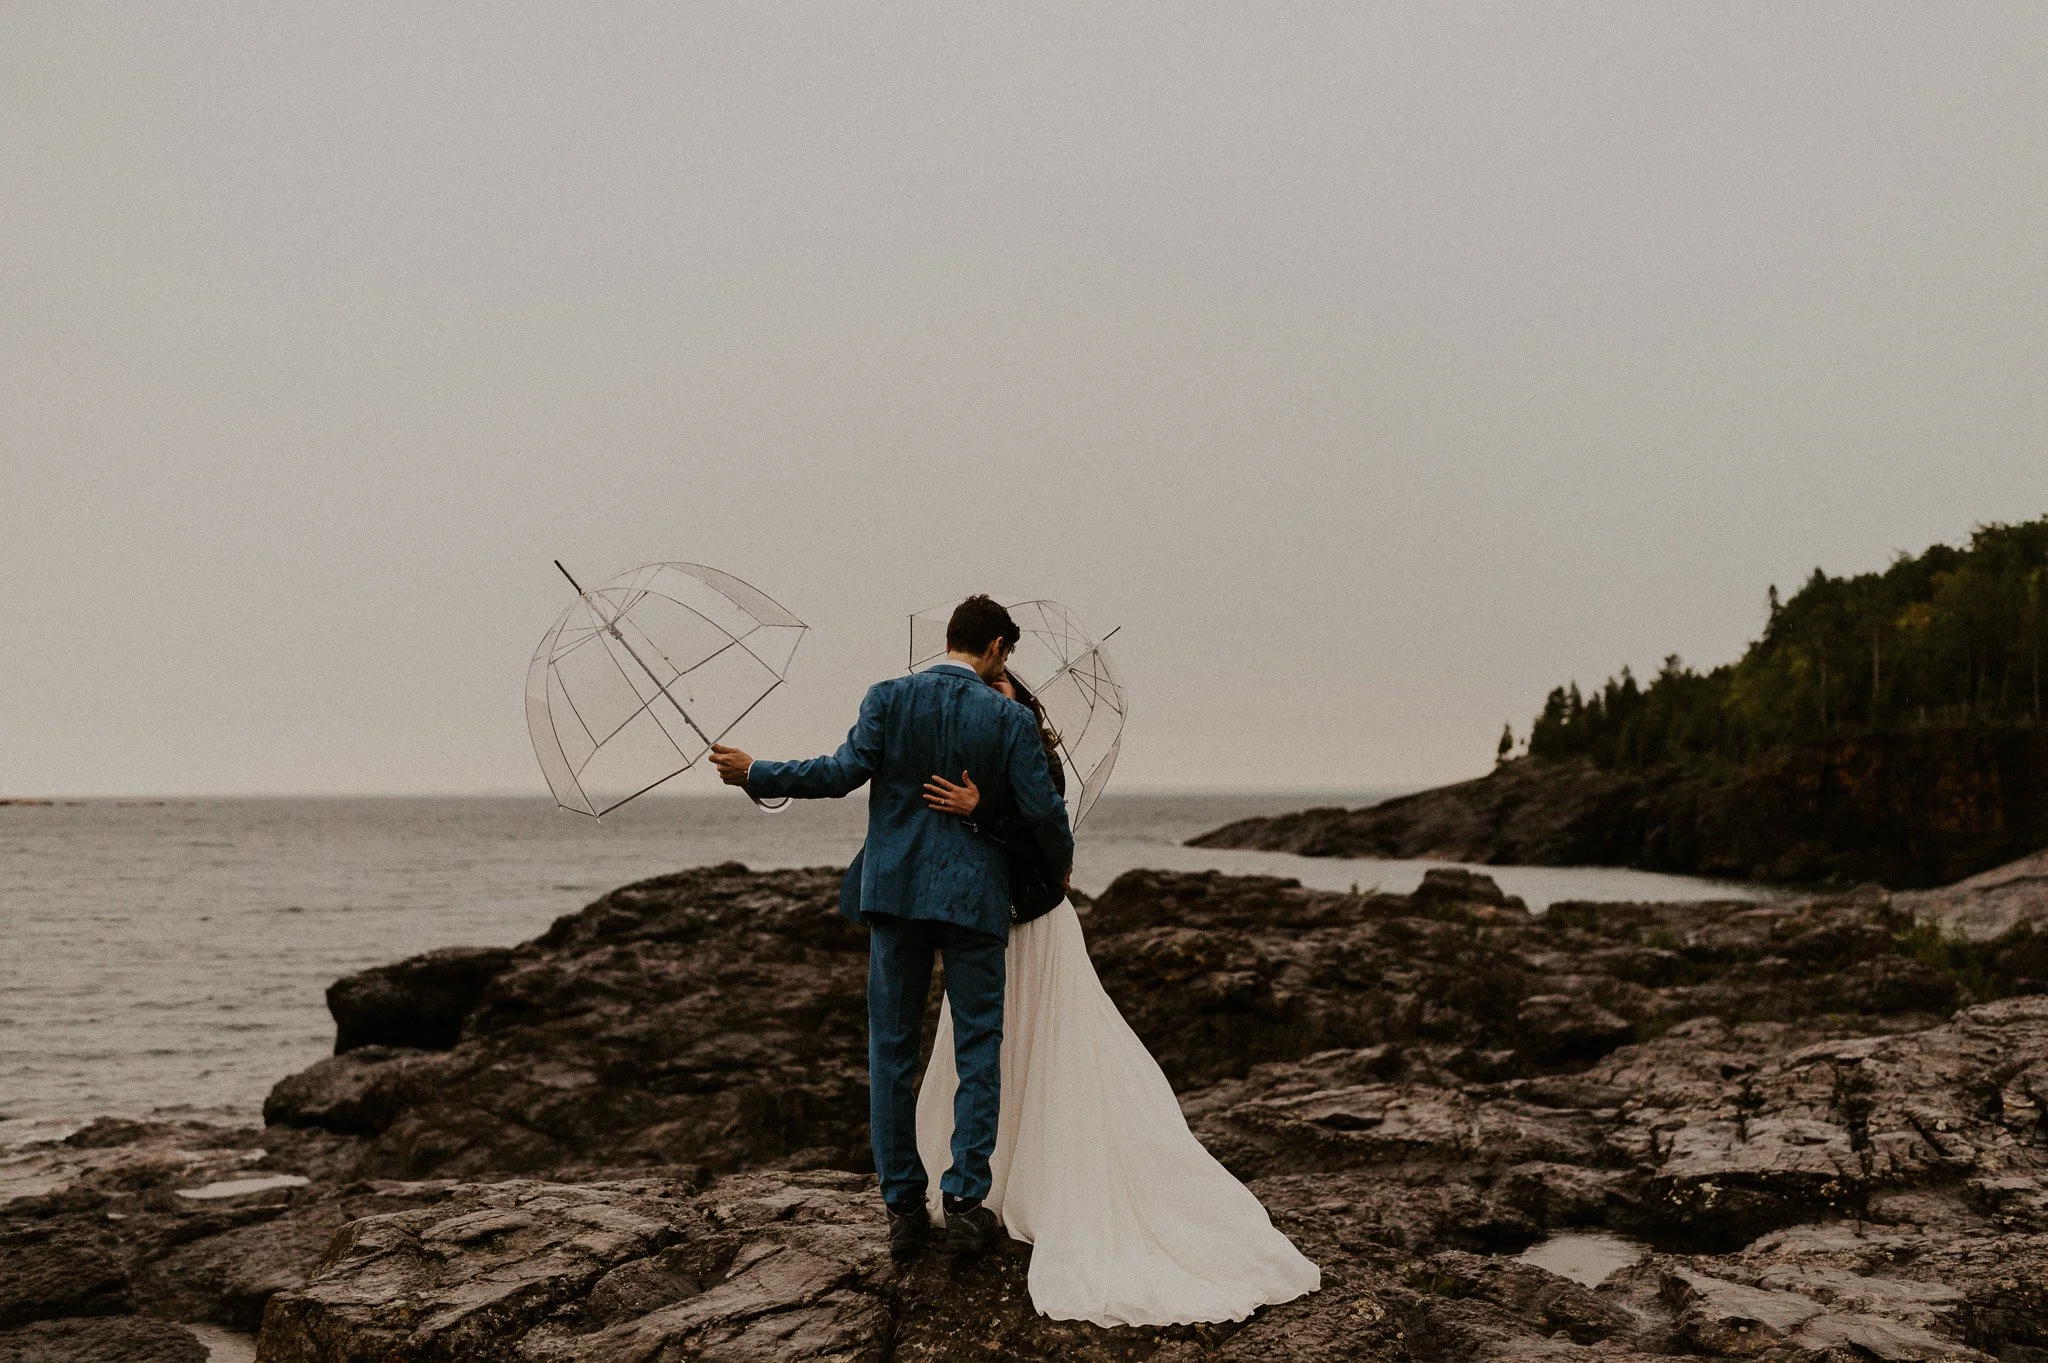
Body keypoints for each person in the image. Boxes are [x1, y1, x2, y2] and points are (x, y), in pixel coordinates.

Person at [915, 673, 1322, 1327]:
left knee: (1050, 1056)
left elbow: (1053, 849)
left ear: (1021, 698)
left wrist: (981, 812)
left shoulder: (1038, 761)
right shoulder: (956, 761)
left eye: (1000, 684)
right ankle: (981, 1184)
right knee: (984, 1057)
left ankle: (1042, 1185)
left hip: (1038, 932)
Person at [708, 595, 1071, 1267]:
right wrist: (1059, 870)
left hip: (897, 895)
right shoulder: (1007, 716)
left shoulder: (888, 697)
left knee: (891, 1053)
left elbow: (837, 774)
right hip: (972, 900)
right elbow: (1045, 813)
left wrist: (753, 772)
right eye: (1007, 653)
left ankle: (904, 1209)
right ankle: (964, 1204)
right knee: (978, 1049)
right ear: (994, 646)